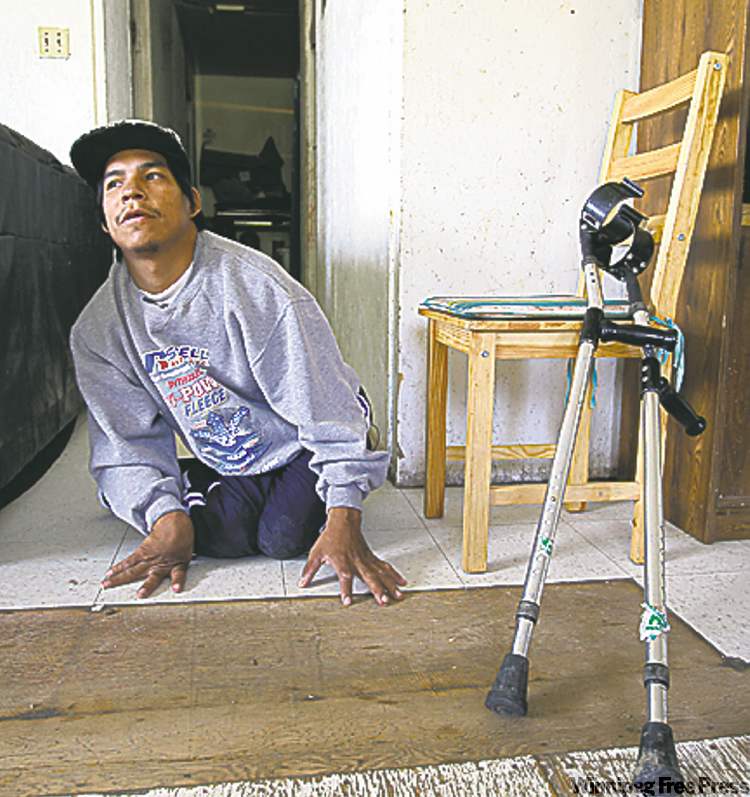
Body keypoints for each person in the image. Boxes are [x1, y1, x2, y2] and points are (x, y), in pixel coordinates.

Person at [68, 119, 406, 606]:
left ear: (193, 203)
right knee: (198, 536)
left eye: (153, 176)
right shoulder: (98, 330)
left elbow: (319, 406)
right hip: (231, 448)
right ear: (104, 221)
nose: (132, 193)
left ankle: (351, 444)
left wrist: (345, 511)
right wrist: (164, 516)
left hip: (300, 434)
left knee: (283, 538)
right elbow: (125, 443)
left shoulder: (256, 288)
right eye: (114, 184)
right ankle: (194, 489)